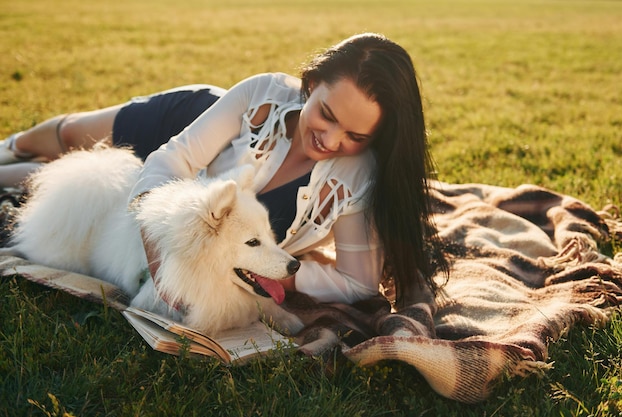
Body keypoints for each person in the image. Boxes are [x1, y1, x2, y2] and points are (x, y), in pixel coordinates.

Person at [0, 33, 448, 308]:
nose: (331, 140)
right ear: (311, 85)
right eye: (326, 114)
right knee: (71, 137)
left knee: (69, 175)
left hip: (196, 202)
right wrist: (160, 264)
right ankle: (11, 145)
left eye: (355, 135)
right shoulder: (264, 93)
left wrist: (279, 274)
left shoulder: (357, 179)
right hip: (188, 124)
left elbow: (356, 284)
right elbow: (168, 162)